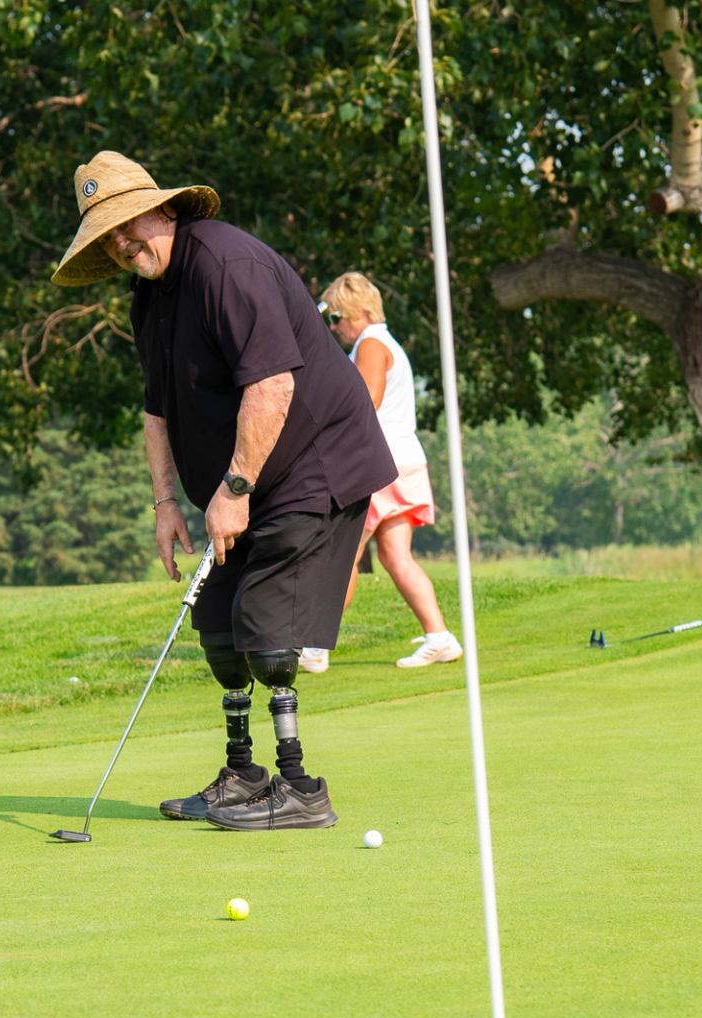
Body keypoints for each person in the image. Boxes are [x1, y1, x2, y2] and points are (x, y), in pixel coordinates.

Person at [50, 152, 397, 831]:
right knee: (217, 626)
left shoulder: (226, 267)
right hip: (236, 479)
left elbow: (273, 385)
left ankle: (300, 788)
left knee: (266, 629)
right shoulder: (150, 294)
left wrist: (233, 487)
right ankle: (242, 777)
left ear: (165, 209)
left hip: (312, 463)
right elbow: (157, 409)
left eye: (129, 225)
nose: (125, 243)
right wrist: (165, 505)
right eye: (109, 238)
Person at [298, 273, 462, 673]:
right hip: (403, 461)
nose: (334, 327)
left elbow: (365, 403)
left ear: (358, 312)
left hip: (378, 464)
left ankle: (315, 647)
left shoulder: (371, 343)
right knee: (395, 556)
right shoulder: (386, 344)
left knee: (342, 557)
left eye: (337, 317)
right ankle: (439, 636)